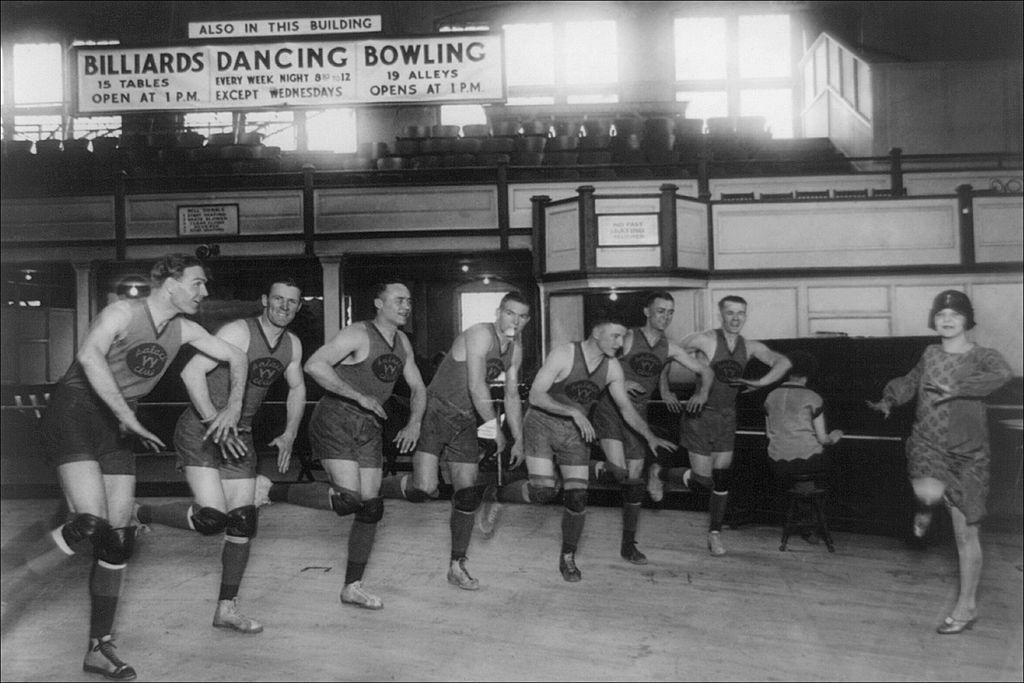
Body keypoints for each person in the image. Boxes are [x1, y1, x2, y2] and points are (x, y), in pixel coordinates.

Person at [15, 254, 248, 681]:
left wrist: (230, 408)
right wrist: (125, 415)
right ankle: (12, 584)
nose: (204, 292)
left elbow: (237, 357)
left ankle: (98, 649)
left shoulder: (186, 329)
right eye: (197, 283)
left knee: (118, 540)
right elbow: (89, 356)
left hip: (121, 420)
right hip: (77, 410)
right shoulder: (123, 311)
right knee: (88, 523)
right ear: (169, 282)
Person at [135, 278, 306, 634]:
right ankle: (140, 512)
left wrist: (290, 432)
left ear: (298, 307)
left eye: (292, 302)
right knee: (211, 518)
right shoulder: (238, 332)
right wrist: (214, 419)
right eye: (278, 299)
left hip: (238, 435)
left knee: (243, 520)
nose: (284, 307)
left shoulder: (292, 344)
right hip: (201, 427)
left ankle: (226, 609)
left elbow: (297, 387)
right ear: (264, 300)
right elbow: (191, 371)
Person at [256, 280, 426, 610]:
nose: (406, 306)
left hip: (369, 425)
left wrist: (415, 422)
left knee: (371, 507)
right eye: (399, 300)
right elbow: (314, 364)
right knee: (349, 498)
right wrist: (359, 396)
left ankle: (352, 586)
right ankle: (269, 490)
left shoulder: (402, 341)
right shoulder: (358, 333)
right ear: (379, 303)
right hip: (336, 416)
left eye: (408, 301)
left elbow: (418, 387)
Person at [487, 317, 677, 582]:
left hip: (575, 433)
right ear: (596, 334)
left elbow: (626, 408)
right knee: (543, 491)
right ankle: (497, 494)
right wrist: (574, 412)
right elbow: (536, 396)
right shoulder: (564, 354)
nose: (621, 343)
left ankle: (568, 556)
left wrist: (650, 436)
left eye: (623, 337)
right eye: (615, 336)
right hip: (542, 424)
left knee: (577, 497)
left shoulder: (612, 368)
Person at [867, 290, 1010, 635]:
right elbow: (910, 382)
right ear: (935, 319)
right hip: (928, 444)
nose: (947, 320)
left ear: (966, 320)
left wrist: (958, 388)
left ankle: (967, 607)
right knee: (926, 487)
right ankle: (927, 504)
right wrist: (889, 399)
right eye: (941, 314)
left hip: (967, 455)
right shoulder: (930, 353)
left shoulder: (982, 356)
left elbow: (1002, 374)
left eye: (955, 315)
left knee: (966, 534)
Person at [379, 291, 530, 590]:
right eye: (511, 313)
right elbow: (475, 385)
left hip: (465, 420)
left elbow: (511, 395)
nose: (516, 320)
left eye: (523, 316)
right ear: (499, 312)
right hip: (437, 411)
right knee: (425, 488)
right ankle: (373, 488)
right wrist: (494, 428)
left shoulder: (515, 349)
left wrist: (519, 439)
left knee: (467, 493)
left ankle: (457, 565)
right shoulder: (479, 334)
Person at [652, 295, 792, 557]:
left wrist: (760, 383)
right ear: (721, 315)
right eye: (730, 313)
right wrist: (665, 390)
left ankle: (714, 534)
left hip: (728, 417)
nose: (736, 318)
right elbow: (666, 356)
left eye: (741, 313)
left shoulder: (749, 347)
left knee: (722, 479)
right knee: (702, 480)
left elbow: (783, 362)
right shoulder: (704, 339)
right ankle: (660, 473)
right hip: (700, 415)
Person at [588, 291, 713, 565]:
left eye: (670, 312)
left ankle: (628, 545)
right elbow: (596, 360)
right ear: (647, 311)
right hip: (610, 410)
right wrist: (618, 381)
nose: (665, 316)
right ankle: (593, 467)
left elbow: (706, 371)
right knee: (620, 473)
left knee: (634, 483)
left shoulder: (670, 347)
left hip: (638, 416)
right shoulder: (628, 337)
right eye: (660, 310)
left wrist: (701, 394)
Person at [764, 350, 843, 484]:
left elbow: (769, 435)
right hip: (807, 462)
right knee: (839, 463)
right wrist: (835, 436)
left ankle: (798, 499)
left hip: (776, 463)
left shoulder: (771, 396)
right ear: (808, 374)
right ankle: (814, 500)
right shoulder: (812, 397)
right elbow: (823, 439)